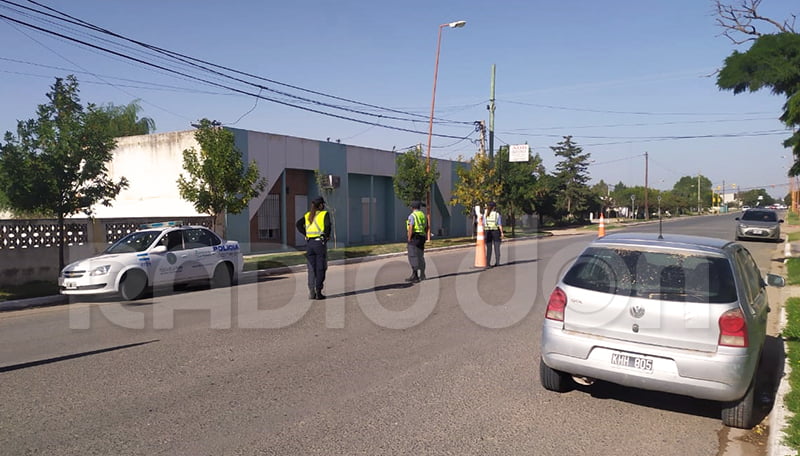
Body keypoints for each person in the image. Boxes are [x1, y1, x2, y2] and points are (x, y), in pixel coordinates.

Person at [296, 196, 332, 300]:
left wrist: (306, 234)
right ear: (320, 205)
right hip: (319, 244)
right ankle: (318, 292)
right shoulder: (324, 214)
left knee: (311, 268)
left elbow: (298, 225)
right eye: (323, 204)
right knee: (321, 268)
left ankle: (311, 291)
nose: (324, 206)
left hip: (309, 244)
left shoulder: (308, 215)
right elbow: (327, 226)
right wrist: (326, 236)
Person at [405, 201, 427, 283]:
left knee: (413, 255)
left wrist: (409, 238)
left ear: (412, 207)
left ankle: (415, 276)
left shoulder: (412, 216)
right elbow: (426, 226)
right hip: (422, 237)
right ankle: (422, 274)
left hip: (415, 237)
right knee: (420, 256)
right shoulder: (423, 215)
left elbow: (411, 227)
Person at [484, 201, 504, 267]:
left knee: (489, 248)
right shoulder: (497, 214)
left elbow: (484, 223)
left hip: (487, 232)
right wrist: (501, 233)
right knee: (497, 248)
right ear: (494, 207)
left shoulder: (485, 214)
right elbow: (499, 224)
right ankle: (497, 262)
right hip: (495, 231)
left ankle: (488, 263)